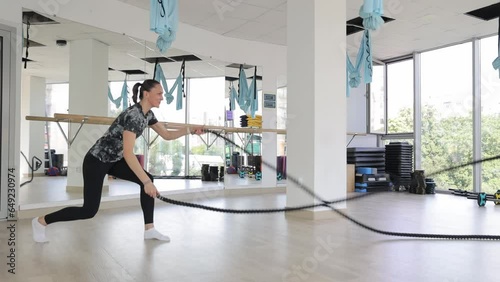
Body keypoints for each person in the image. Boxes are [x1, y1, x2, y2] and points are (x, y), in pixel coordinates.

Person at [32, 79, 203, 243]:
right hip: (96, 161)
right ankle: (41, 221)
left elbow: (167, 135)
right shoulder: (133, 116)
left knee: (148, 179)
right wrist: (145, 182)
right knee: (89, 210)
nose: (162, 97)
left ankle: (149, 230)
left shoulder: (147, 114)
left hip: (113, 160)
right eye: (159, 93)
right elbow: (129, 154)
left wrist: (189, 130)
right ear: (146, 94)